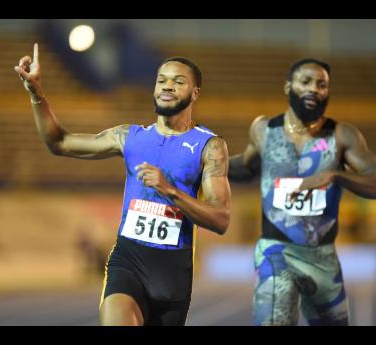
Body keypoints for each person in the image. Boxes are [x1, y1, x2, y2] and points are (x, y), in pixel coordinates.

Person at [14, 43, 231, 326]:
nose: (167, 86)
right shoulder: (128, 137)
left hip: (173, 274)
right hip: (128, 262)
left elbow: (221, 219)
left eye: (178, 82)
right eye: (161, 80)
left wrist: (171, 191)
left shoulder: (210, 147)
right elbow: (59, 142)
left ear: (194, 93)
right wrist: (36, 94)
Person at [228, 58, 376, 326]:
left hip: (322, 257)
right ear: (288, 87)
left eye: (321, 84)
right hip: (276, 250)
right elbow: (246, 167)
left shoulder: (342, 136)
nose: (314, 89)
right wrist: (208, 162)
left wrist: (334, 174)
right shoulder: (264, 131)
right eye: (305, 81)